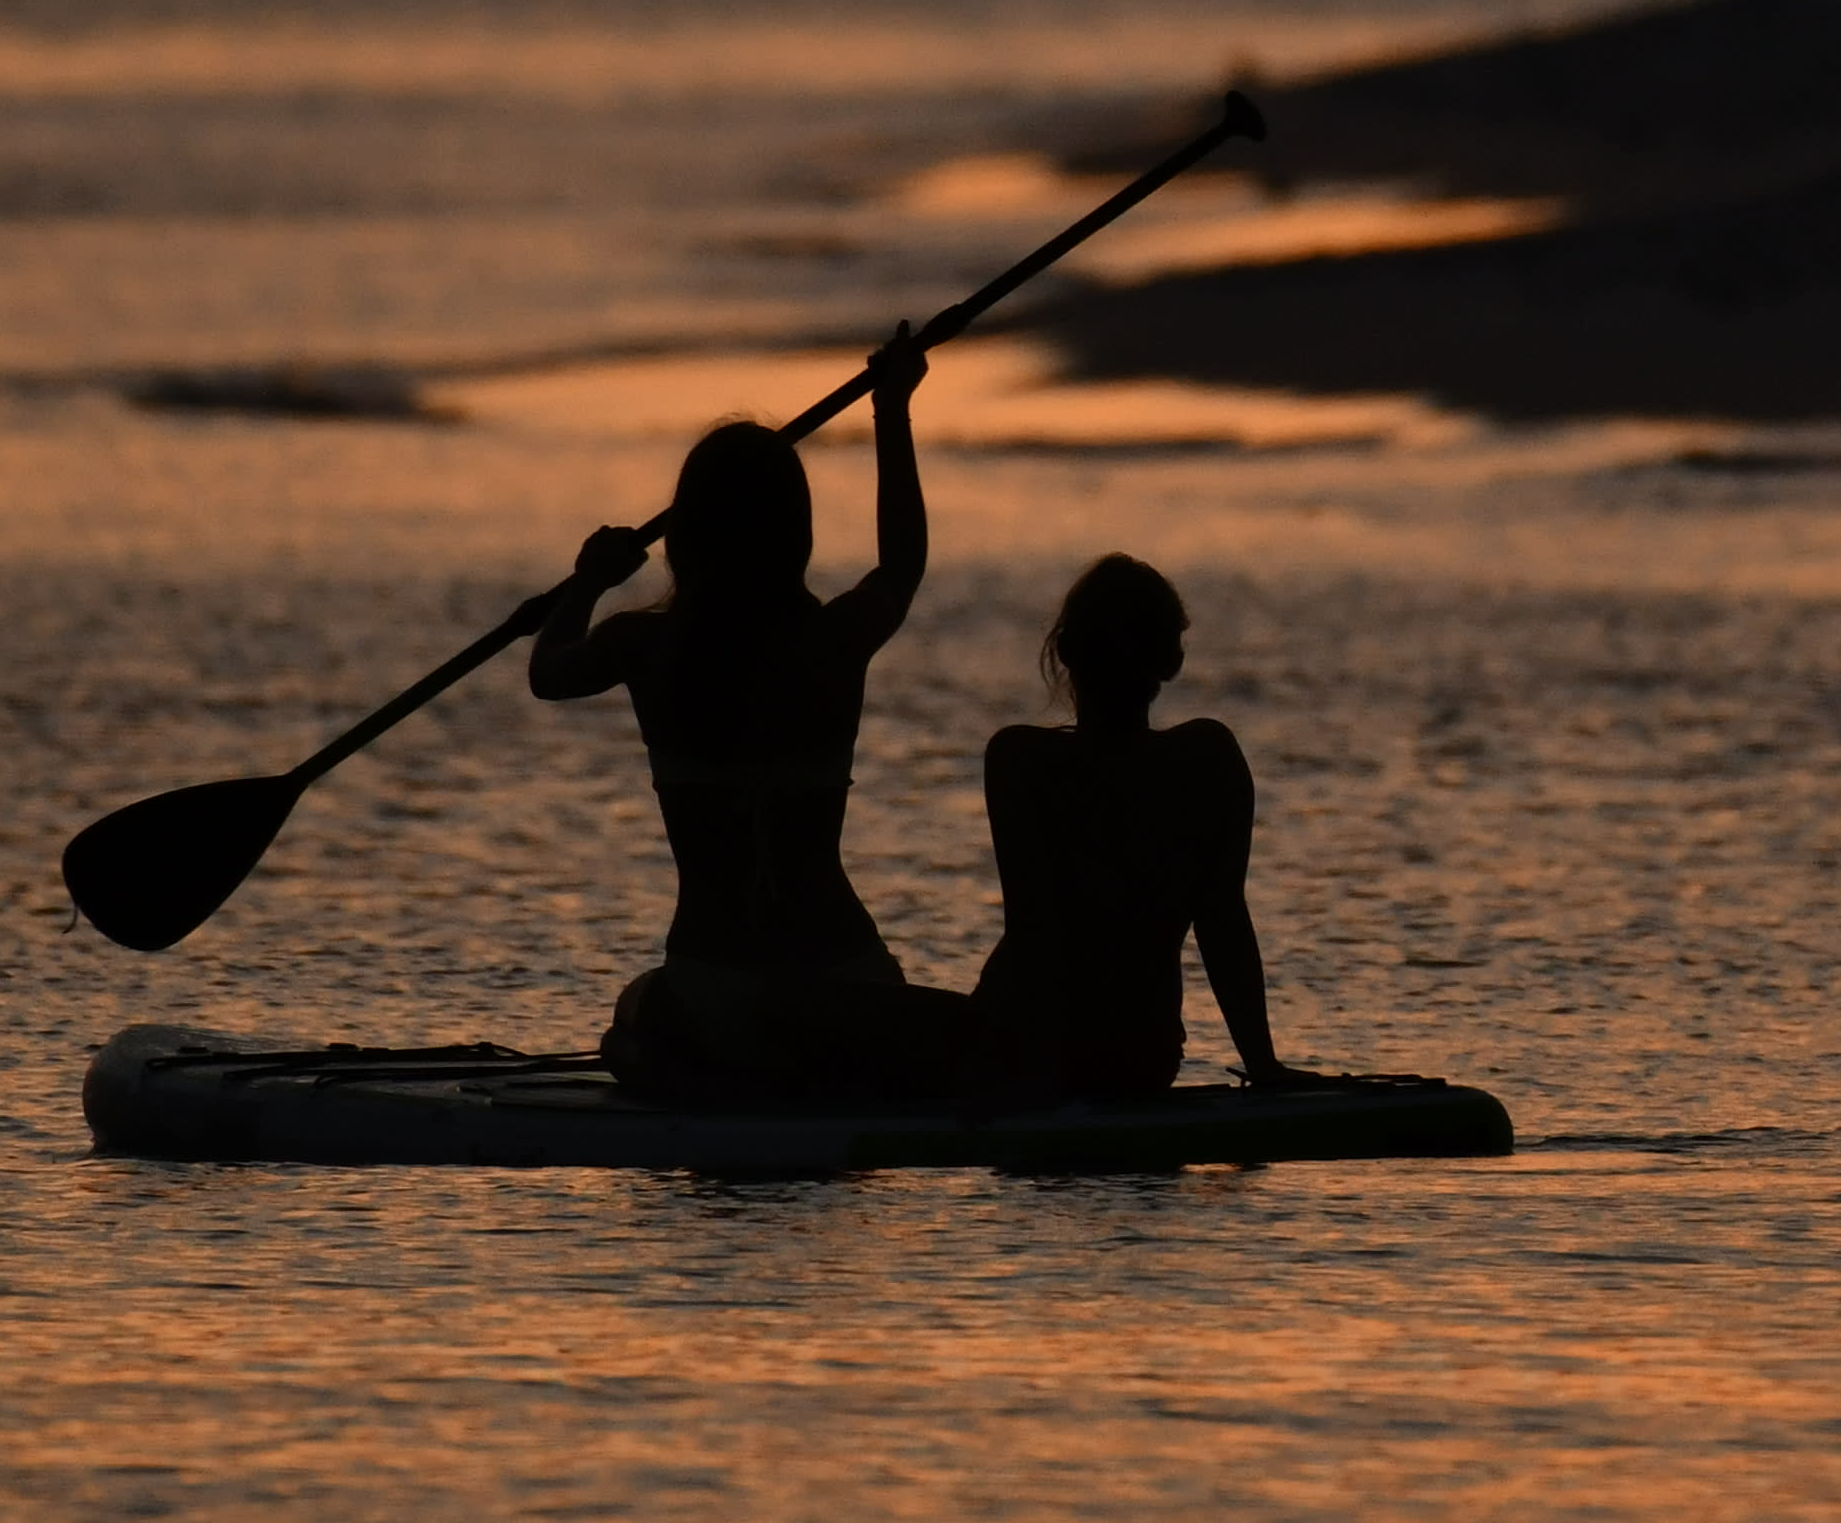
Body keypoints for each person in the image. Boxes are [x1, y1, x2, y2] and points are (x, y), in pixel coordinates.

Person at [527, 330, 962, 1103]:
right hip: (845, 982)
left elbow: (547, 673)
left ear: (685, 538)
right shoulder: (833, 638)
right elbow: (901, 565)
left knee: (634, 1012)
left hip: (712, 990)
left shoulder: (642, 645)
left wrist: (585, 584)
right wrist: (892, 412)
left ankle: (703, 1069)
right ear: (795, 534)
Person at [969, 551, 1287, 1107]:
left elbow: (1033, 931)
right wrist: (1263, 1065)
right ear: (1171, 660)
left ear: (1067, 652)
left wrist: (1024, 1081)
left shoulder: (1019, 758)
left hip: (1019, 1049)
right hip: (1142, 1055)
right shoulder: (1207, 759)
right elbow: (1223, 922)